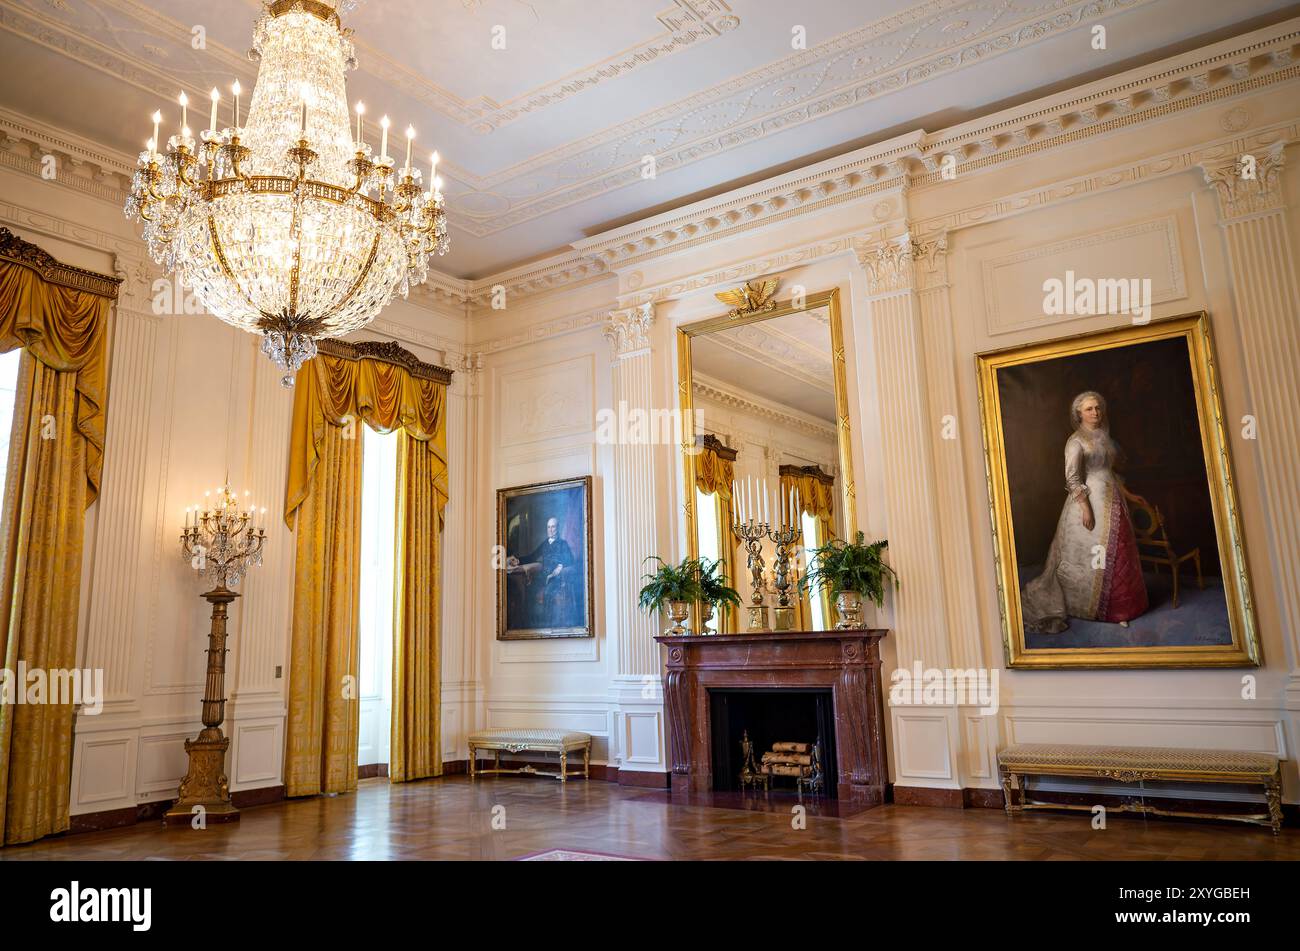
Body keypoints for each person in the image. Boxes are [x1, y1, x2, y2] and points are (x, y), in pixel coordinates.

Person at [1021, 391, 1149, 633]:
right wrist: (1086, 508)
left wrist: (1130, 495)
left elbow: (1109, 472)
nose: (1095, 413)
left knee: (1120, 551)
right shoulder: (1075, 441)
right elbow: (1072, 477)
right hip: (1089, 502)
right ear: (1079, 413)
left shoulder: (1104, 437)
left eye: (1098, 408)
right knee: (1090, 555)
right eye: (1089, 409)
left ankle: (1122, 608)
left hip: (1113, 499)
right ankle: (1094, 608)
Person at [508, 517, 578, 627]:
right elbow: (532, 556)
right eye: (548, 527)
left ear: (557, 528)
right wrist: (517, 560)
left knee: (548, 592)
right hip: (543, 575)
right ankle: (529, 623)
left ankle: (547, 624)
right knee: (529, 589)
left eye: (553, 527)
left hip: (556, 577)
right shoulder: (545, 543)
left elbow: (571, 560)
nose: (550, 530)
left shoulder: (563, 544)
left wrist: (560, 567)